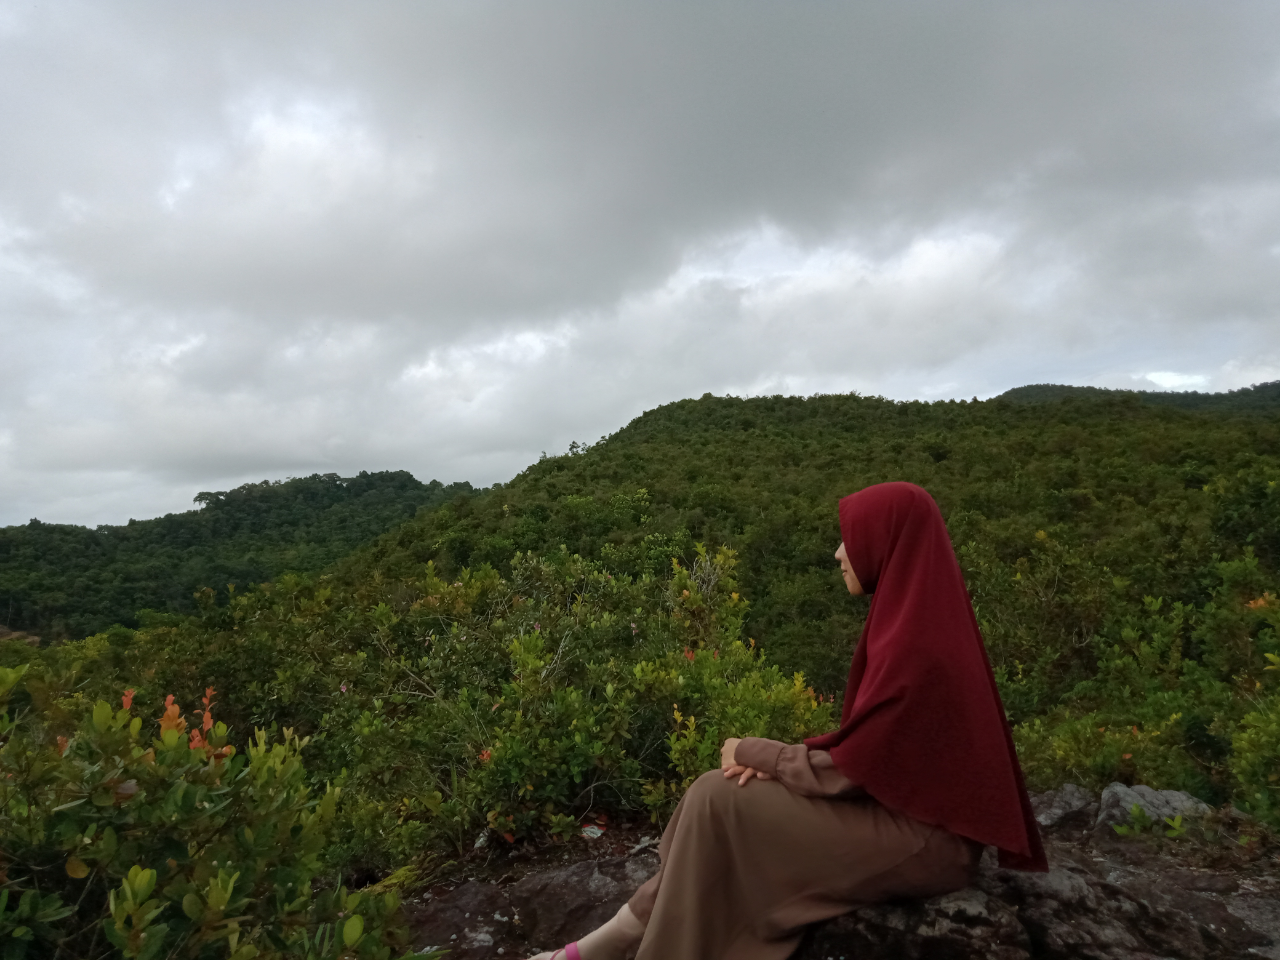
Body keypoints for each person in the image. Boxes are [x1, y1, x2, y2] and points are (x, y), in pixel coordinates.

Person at [528, 481, 1046, 960]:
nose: (839, 552)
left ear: (885, 541)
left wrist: (760, 754)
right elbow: (875, 755)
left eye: (850, 538)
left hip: (924, 841)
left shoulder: (918, 644)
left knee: (718, 799)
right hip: (908, 819)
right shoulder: (915, 620)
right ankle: (613, 940)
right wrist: (772, 763)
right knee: (711, 796)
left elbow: (858, 768)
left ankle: (618, 944)